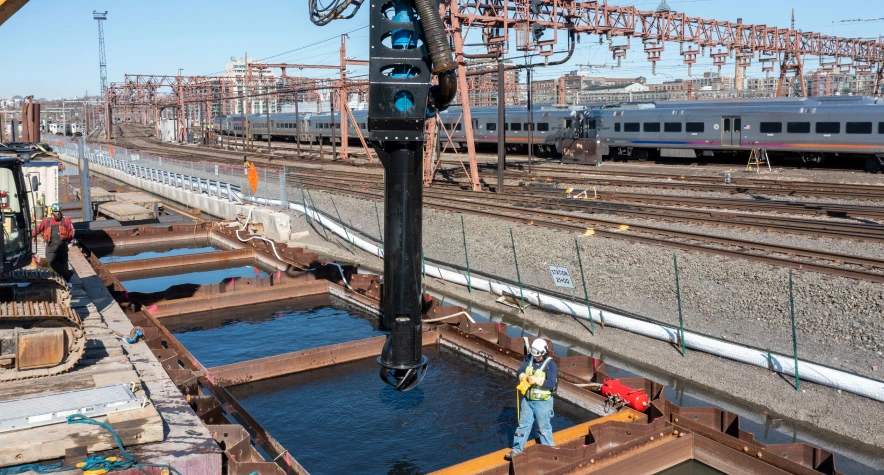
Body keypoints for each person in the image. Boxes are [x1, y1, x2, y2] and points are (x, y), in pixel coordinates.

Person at [505, 339, 558, 461]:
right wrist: (522, 376)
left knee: (543, 428)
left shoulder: (551, 364)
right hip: (528, 400)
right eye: (534, 356)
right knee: (523, 425)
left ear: (544, 353)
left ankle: (549, 451)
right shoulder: (529, 358)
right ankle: (517, 450)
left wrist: (537, 380)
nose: (536, 358)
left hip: (543, 403)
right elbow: (520, 370)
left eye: (538, 356)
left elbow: (551, 384)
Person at [32, 203, 75, 281]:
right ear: (52, 212)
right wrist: (30, 235)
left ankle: (67, 280)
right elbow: (38, 229)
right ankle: (67, 273)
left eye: (58, 211)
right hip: (50, 246)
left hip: (62, 245)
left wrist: (68, 241)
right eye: (55, 211)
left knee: (64, 262)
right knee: (50, 261)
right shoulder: (46, 221)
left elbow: (72, 231)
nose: (57, 213)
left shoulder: (66, 221)